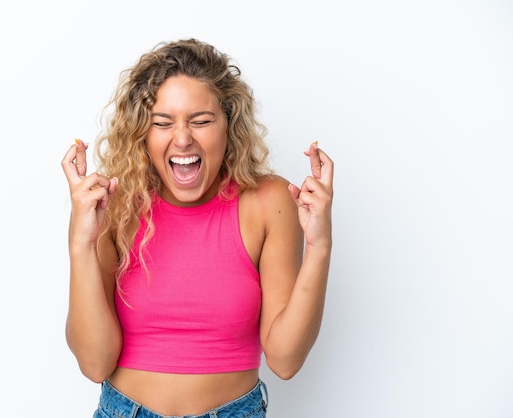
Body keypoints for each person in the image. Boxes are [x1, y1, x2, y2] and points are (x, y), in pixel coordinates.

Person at [61, 38, 334, 417]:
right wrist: (81, 242)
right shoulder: (115, 202)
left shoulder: (268, 202)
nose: (183, 137)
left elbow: (286, 361)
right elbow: (94, 364)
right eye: (162, 122)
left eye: (202, 121)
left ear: (228, 124)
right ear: (143, 132)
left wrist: (319, 246)